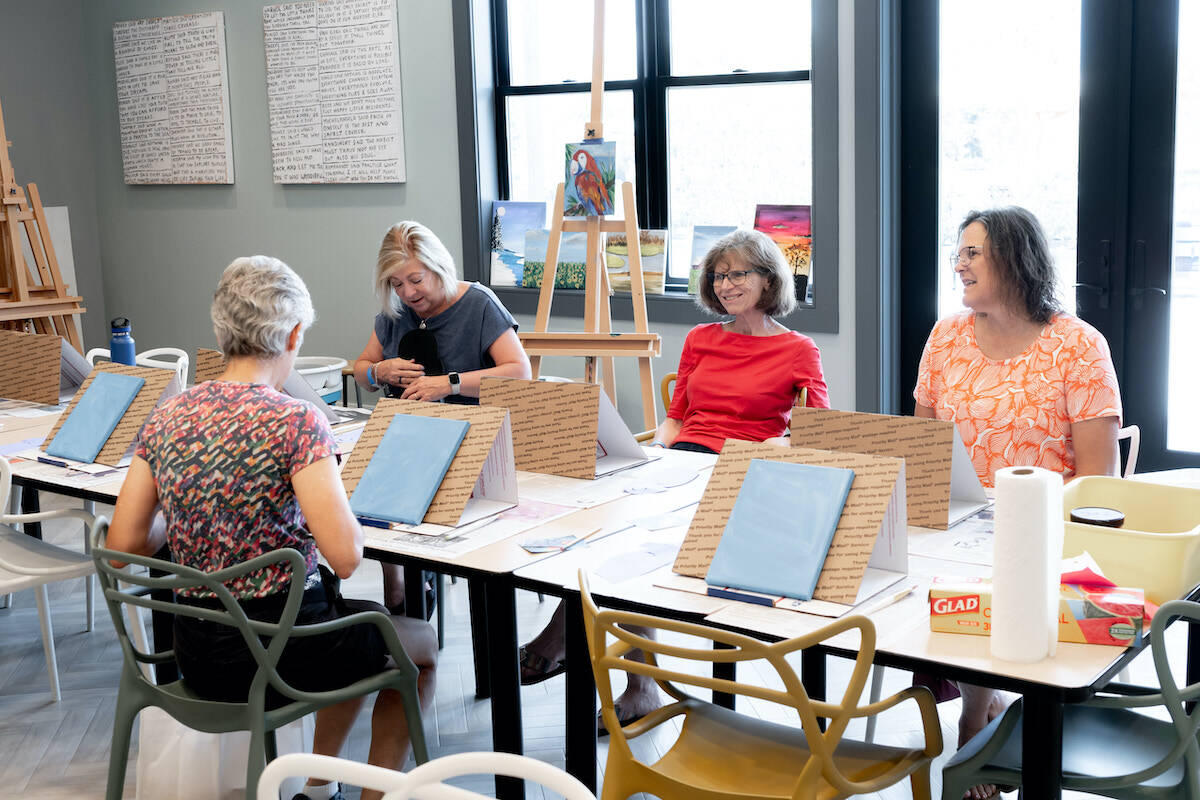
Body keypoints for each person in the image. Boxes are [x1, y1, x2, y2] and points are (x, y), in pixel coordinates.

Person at [108, 256, 438, 800]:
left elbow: (121, 549)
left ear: (222, 330)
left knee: (360, 624)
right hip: (276, 655)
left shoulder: (168, 415)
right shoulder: (297, 419)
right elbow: (347, 557)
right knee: (416, 645)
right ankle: (366, 795)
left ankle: (318, 788)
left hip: (194, 650)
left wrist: (201, 508)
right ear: (293, 334)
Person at [519, 228, 831, 732]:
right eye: (718, 275)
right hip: (684, 461)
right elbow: (677, 416)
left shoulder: (798, 349)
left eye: (738, 273)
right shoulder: (701, 339)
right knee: (606, 529)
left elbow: (818, 430)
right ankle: (631, 681)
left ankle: (566, 648)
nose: (726, 284)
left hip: (745, 476)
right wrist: (655, 454)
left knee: (639, 541)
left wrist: (780, 445)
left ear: (769, 278)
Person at [914, 206, 1121, 800]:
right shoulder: (946, 335)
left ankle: (976, 715)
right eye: (958, 254)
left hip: (1042, 528)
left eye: (972, 253)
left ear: (1015, 257)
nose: (959, 265)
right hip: (953, 520)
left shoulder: (1078, 345)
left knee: (1002, 569)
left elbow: (1098, 482)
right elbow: (923, 445)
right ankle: (977, 706)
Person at [353, 221, 531, 613]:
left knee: (398, 482)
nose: (408, 292)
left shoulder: (478, 304)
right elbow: (362, 368)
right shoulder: (395, 312)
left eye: (415, 279)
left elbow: (519, 372)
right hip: (409, 438)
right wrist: (378, 372)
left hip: (472, 440)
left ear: (438, 266)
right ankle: (400, 583)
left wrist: (448, 384)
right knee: (367, 482)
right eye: (396, 284)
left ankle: (406, 588)